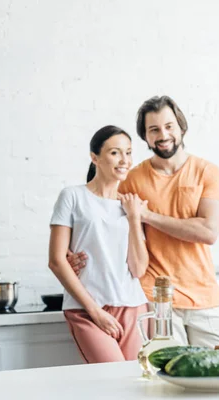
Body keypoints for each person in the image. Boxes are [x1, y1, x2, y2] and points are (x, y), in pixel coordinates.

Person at [68, 96, 219, 347]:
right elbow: (96, 215)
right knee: (168, 380)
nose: (163, 135)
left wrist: (147, 215)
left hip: (205, 297)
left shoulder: (207, 172)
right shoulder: (131, 180)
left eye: (169, 126)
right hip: (155, 299)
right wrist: (72, 255)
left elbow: (208, 231)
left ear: (181, 127)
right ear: (145, 137)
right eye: (154, 130)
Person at [48, 125, 150, 363]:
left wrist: (135, 218)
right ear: (95, 157)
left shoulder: (130, 205)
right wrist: (94, 311)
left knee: (135, 386)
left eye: (128, 152)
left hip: (133, 306)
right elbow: (56, 260)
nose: (124, 160)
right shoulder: (73, 196)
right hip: (88, 309)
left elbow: (138, 269)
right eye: (115, 153)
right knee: (113, 380)